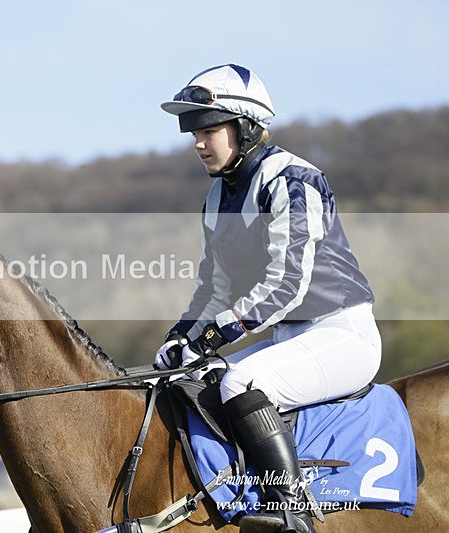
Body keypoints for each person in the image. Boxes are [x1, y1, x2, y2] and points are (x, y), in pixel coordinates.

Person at [154, 64, 381, 533]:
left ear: (246, 127)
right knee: (198, 380)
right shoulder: (218, 197)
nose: (197, 142)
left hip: (342, 331)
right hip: (291, 337)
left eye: (209, 130)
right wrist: (181, 339)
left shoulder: (293, 180)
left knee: (242, 383)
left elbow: (284, 286)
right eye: (192, 132)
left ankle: (293, 513)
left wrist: (210, 338)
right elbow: (213, 289)